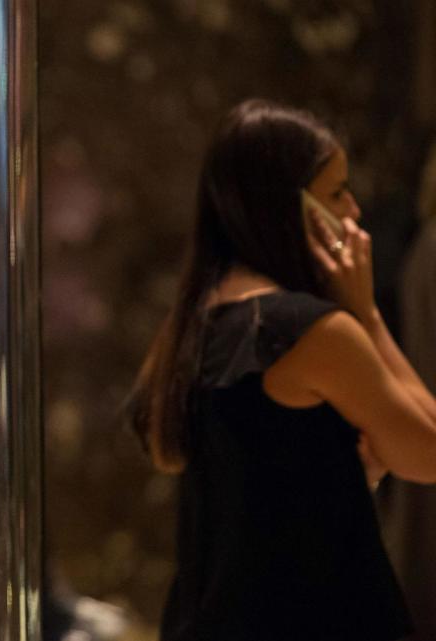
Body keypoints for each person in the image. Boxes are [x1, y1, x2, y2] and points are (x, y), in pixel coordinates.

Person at [129, 99, 436, 641]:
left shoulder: (188, 328)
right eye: (337, 192)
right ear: (288, 207)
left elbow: (169, 451)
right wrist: (365, 313)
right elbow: (428, 452)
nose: (355, 212)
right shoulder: (309, 330)